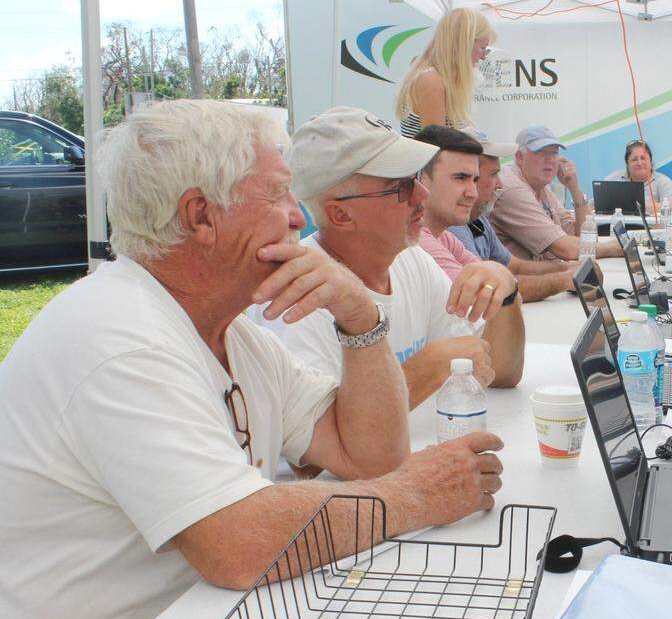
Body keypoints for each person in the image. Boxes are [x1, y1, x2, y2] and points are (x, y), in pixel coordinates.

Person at [0, 100, 505, 619]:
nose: (298, 217)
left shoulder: (231, 331)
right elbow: (237, 545)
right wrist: (417, 496)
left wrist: (362, 321)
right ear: (200, 216)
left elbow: (368, 456)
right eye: (279, 196)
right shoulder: (121, 337)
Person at [258, 107, 524, 411]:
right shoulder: (295, 300)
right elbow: (311, 453)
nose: (421, 194)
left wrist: (507, 290)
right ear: (340, 214)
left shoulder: (410, 260)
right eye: (400, 186)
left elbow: (499, 371)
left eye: (415, 178)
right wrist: (426, 368)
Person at [442, 126, 579, 302]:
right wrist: (564, 278)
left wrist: (567, 270)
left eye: (553, 153)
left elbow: (515, 266)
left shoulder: (478, 218)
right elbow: (486, 289)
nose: (499, 184)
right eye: (464, 177)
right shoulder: (453, 226)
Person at [490, 124, 622, 261]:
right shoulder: (513, 190)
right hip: (521, 279)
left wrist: (574, 188)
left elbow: (584, 236)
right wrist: (612, 248)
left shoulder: (541, 187)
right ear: (519, 157)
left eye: (554, 152)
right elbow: (566, 249)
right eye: (541, 152)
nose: (550, 159)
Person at [394, 7, 496, 138]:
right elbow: (438, 147)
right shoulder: (430, 81)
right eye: (482, 48)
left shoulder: (440, 78)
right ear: (463, 44)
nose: (483, 56)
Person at [603, 139, 672, 212]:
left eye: (643, 158)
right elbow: (596, 204)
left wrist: (637, 205)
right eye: (634, 159)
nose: (639, 163)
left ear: (650, 161)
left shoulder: (663, 182)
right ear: (627, 163)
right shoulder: (615, 178)